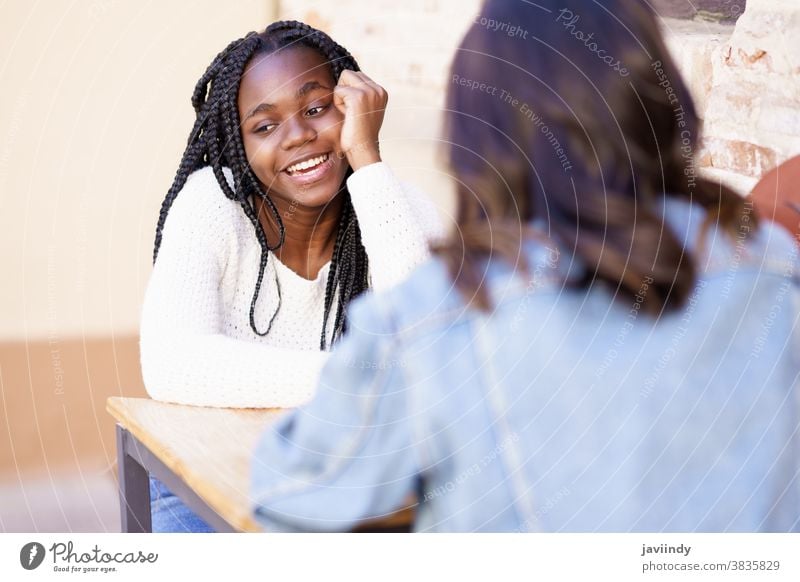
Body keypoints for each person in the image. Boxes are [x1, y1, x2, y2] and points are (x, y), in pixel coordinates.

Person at [250, 0, 800, 532]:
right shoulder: (775, 270)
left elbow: (291, 494)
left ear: (478, 136)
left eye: (316, 108)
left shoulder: (442, 315)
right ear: (658, 100)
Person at [139, 21, 442, 531]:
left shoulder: (398, 207)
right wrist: (362, 379)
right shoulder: (212, 205)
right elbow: (172, 363)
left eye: (316, 108)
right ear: (238, 144)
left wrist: (366, 160)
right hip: (208, 482)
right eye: (264, 126)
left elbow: (429, 352)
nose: (299, 135)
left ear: (353, 107)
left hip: (354, 481)